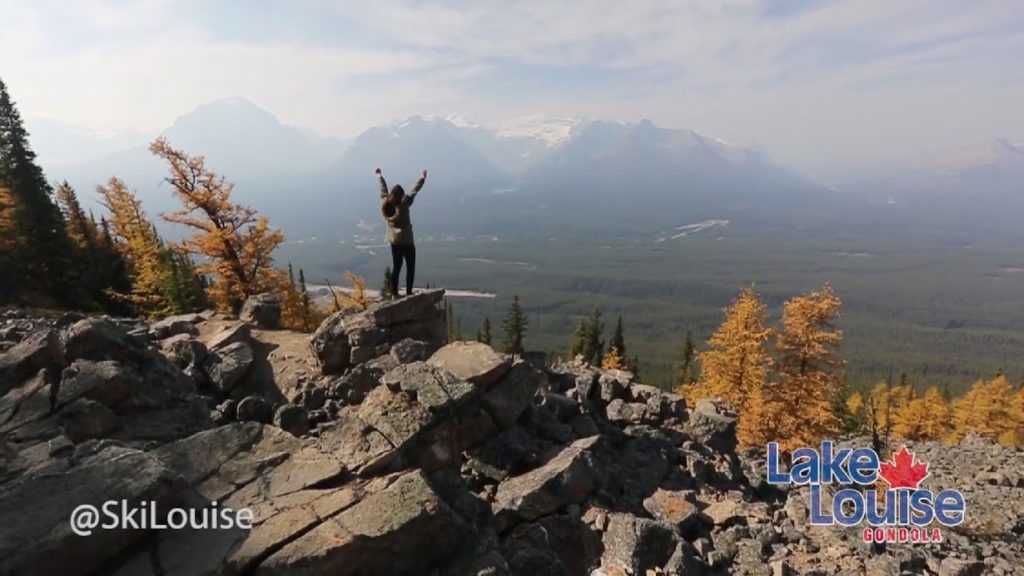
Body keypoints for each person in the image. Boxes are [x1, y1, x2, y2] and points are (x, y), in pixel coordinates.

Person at [377, 167, 427, 297]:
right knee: (410, 267)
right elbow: (414, 190)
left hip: (394, 241)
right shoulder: (404, 203)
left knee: (397, 267)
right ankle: (409, 292)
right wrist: (422, 177)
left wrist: (379, 176)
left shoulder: (386, 205)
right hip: (407, 241)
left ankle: (395, 294)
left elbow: (383, 190)